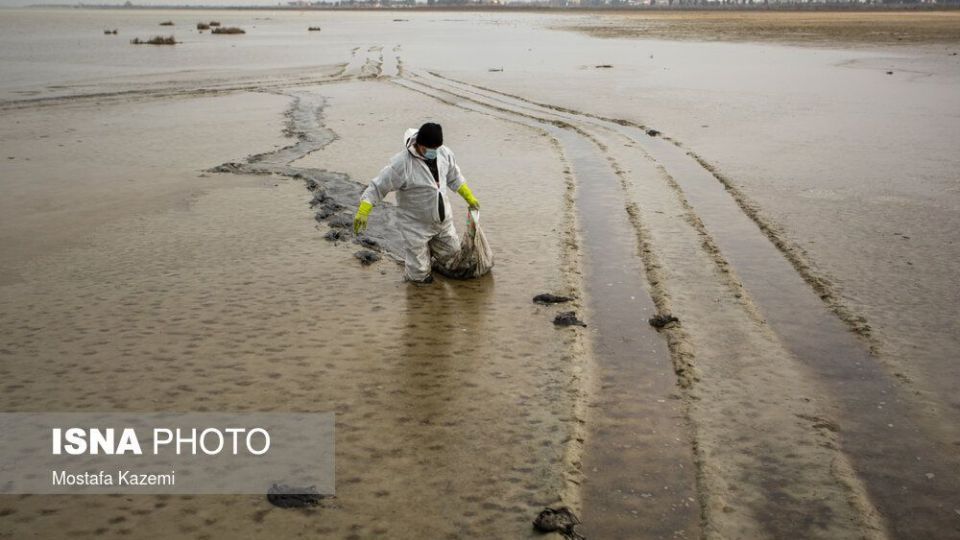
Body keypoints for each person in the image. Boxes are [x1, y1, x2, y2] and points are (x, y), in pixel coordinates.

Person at [353, 122, 480, 284]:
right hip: (415, 227)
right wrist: (364, 209)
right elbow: (378, 186)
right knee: (419, 277)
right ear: (419, 144)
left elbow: (454, 177)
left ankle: (434, 258)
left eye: (437, 148)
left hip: (443, 223)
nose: (434, 152)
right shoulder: (402, 164)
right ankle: (420, 271)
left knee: (454, 261)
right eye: (430, 149)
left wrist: (469, 196)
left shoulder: (444, 153)